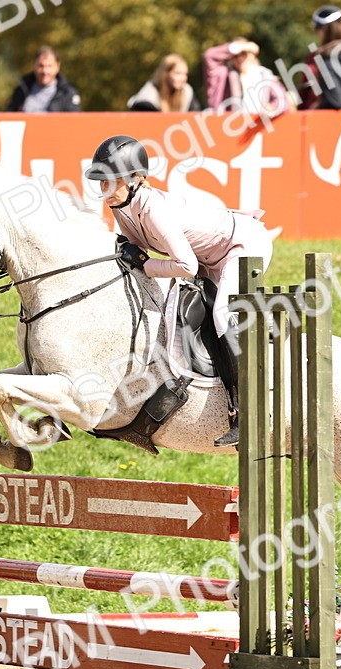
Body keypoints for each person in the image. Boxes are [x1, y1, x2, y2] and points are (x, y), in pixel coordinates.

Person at [85, 135, 273, 447]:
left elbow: (184, 265)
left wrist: (145, 265)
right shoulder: (122, 205)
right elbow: (137, 249)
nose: (104, 189)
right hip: (207, 257)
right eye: (101, 181)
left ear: (135, 179)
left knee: (222, 313)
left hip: (242, 246)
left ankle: (251, 412)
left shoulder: (153, 209)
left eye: (110, 181)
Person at [202, 38, 289, 117]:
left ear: (252, 55)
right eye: (236, 55)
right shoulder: (223, 75)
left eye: (244, 54)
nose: (240, 58)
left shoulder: (265, 75)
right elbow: (209, 56)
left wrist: (273, 108)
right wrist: (242, 47)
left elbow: (283, 101)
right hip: (227, 125)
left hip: (260, 126)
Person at [6, 47, 82, 112]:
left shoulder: (67, 93)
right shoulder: (22, 89)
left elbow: (74, 121)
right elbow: (9, 115)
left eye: (49, 66)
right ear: (34, 65)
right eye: (41, 66)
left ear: (57, 67)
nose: (45, 71)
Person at [128, 54, 201, 112]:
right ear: (166, 74)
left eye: (185, 74)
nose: (182, 78)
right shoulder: (149, 95)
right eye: (177, 73)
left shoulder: (187, 92)